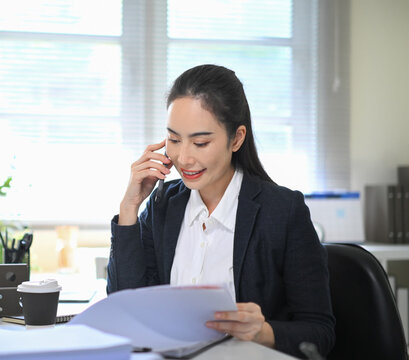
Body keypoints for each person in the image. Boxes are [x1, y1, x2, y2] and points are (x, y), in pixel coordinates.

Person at [107, 64, 335, 358]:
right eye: (174, 140)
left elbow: (320, 333)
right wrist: (129, 208)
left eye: (200, 142)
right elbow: (127, 309)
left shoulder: (282, 211)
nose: (184, 157)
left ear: (237, 138)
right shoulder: (164, 204)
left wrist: (263, 332)